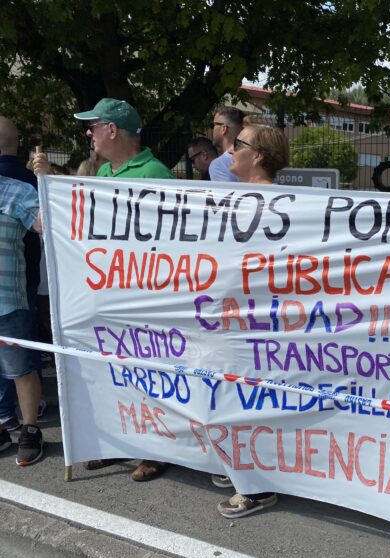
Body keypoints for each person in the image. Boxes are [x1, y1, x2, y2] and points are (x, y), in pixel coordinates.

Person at [33, 98, 175, 481]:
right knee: (114, 376)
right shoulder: (105, 176)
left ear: (111, 130)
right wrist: (48, 184)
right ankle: (117, 442)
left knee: (148, 376)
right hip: (109, 297)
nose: (88, 134)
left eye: (92, 126)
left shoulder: (155, 174)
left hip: (143, 297)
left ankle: (156, 448)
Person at [215, 123, 290, 518]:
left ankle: (255, 487)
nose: (230, 151)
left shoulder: (273, 204)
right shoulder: (235, 198)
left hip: (254, 326)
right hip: (236, 322)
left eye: (238, 145)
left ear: (257, 155)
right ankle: (240, 469)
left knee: (245, 400)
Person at [0, 116, 43, 435]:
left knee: (20, 369)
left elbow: (53, 224)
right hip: (12, 296)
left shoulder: (14, 190)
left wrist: (46, 185)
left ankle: (29, 429)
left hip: (7, 299)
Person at [208, 106, 244, 182]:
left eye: (213, 125)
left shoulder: (219, 165)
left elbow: (224, 194)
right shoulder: (255, 159)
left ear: (223, 129)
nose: (212, 129)